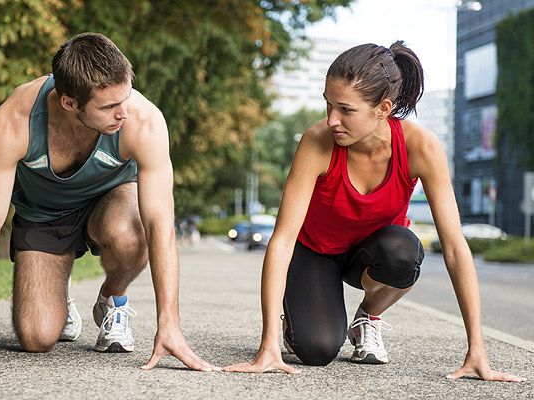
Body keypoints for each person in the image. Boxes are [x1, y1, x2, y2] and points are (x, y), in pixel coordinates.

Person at [0, 32, 218, 372]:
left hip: (113, 201)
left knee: (133, 232)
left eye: (126, 97)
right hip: (45, 214)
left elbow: (160, 226)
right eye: (108, 106)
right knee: (35, 337)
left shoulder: (143, 120)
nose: (123, 112)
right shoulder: (14, 120)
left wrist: (170, 325)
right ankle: (57, 296)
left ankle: (112, 299)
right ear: (69, 102)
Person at [224, 41, 525, 382]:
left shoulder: (420, 147)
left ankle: (368, 317)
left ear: (383, 108)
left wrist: (477, 350)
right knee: (318, 350)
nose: (331, 120)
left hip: (370, 255)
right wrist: (268, 346)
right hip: (314, 252)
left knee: (403, 251)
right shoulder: (317, 141)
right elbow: (282, 239)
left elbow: (455, 247)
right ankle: (295, 321)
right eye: (328, 104)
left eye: (345, 110)